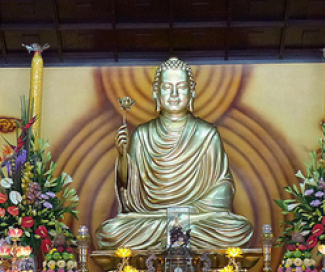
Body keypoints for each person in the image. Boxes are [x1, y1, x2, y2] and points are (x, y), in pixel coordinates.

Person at [95, 57, 253, 250]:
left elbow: (223, 187)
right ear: (156, 92)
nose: (174, 94)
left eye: (181, 87)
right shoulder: (143, 135)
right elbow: (130, 195)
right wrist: (122, 157)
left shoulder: (206, 134)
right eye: (167, 87)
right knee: (111, 232)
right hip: (152, 218)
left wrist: (187, 212)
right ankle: (172, 231)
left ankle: (175, 230)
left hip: (196, 218)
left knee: (236, 229)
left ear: (192, 91)